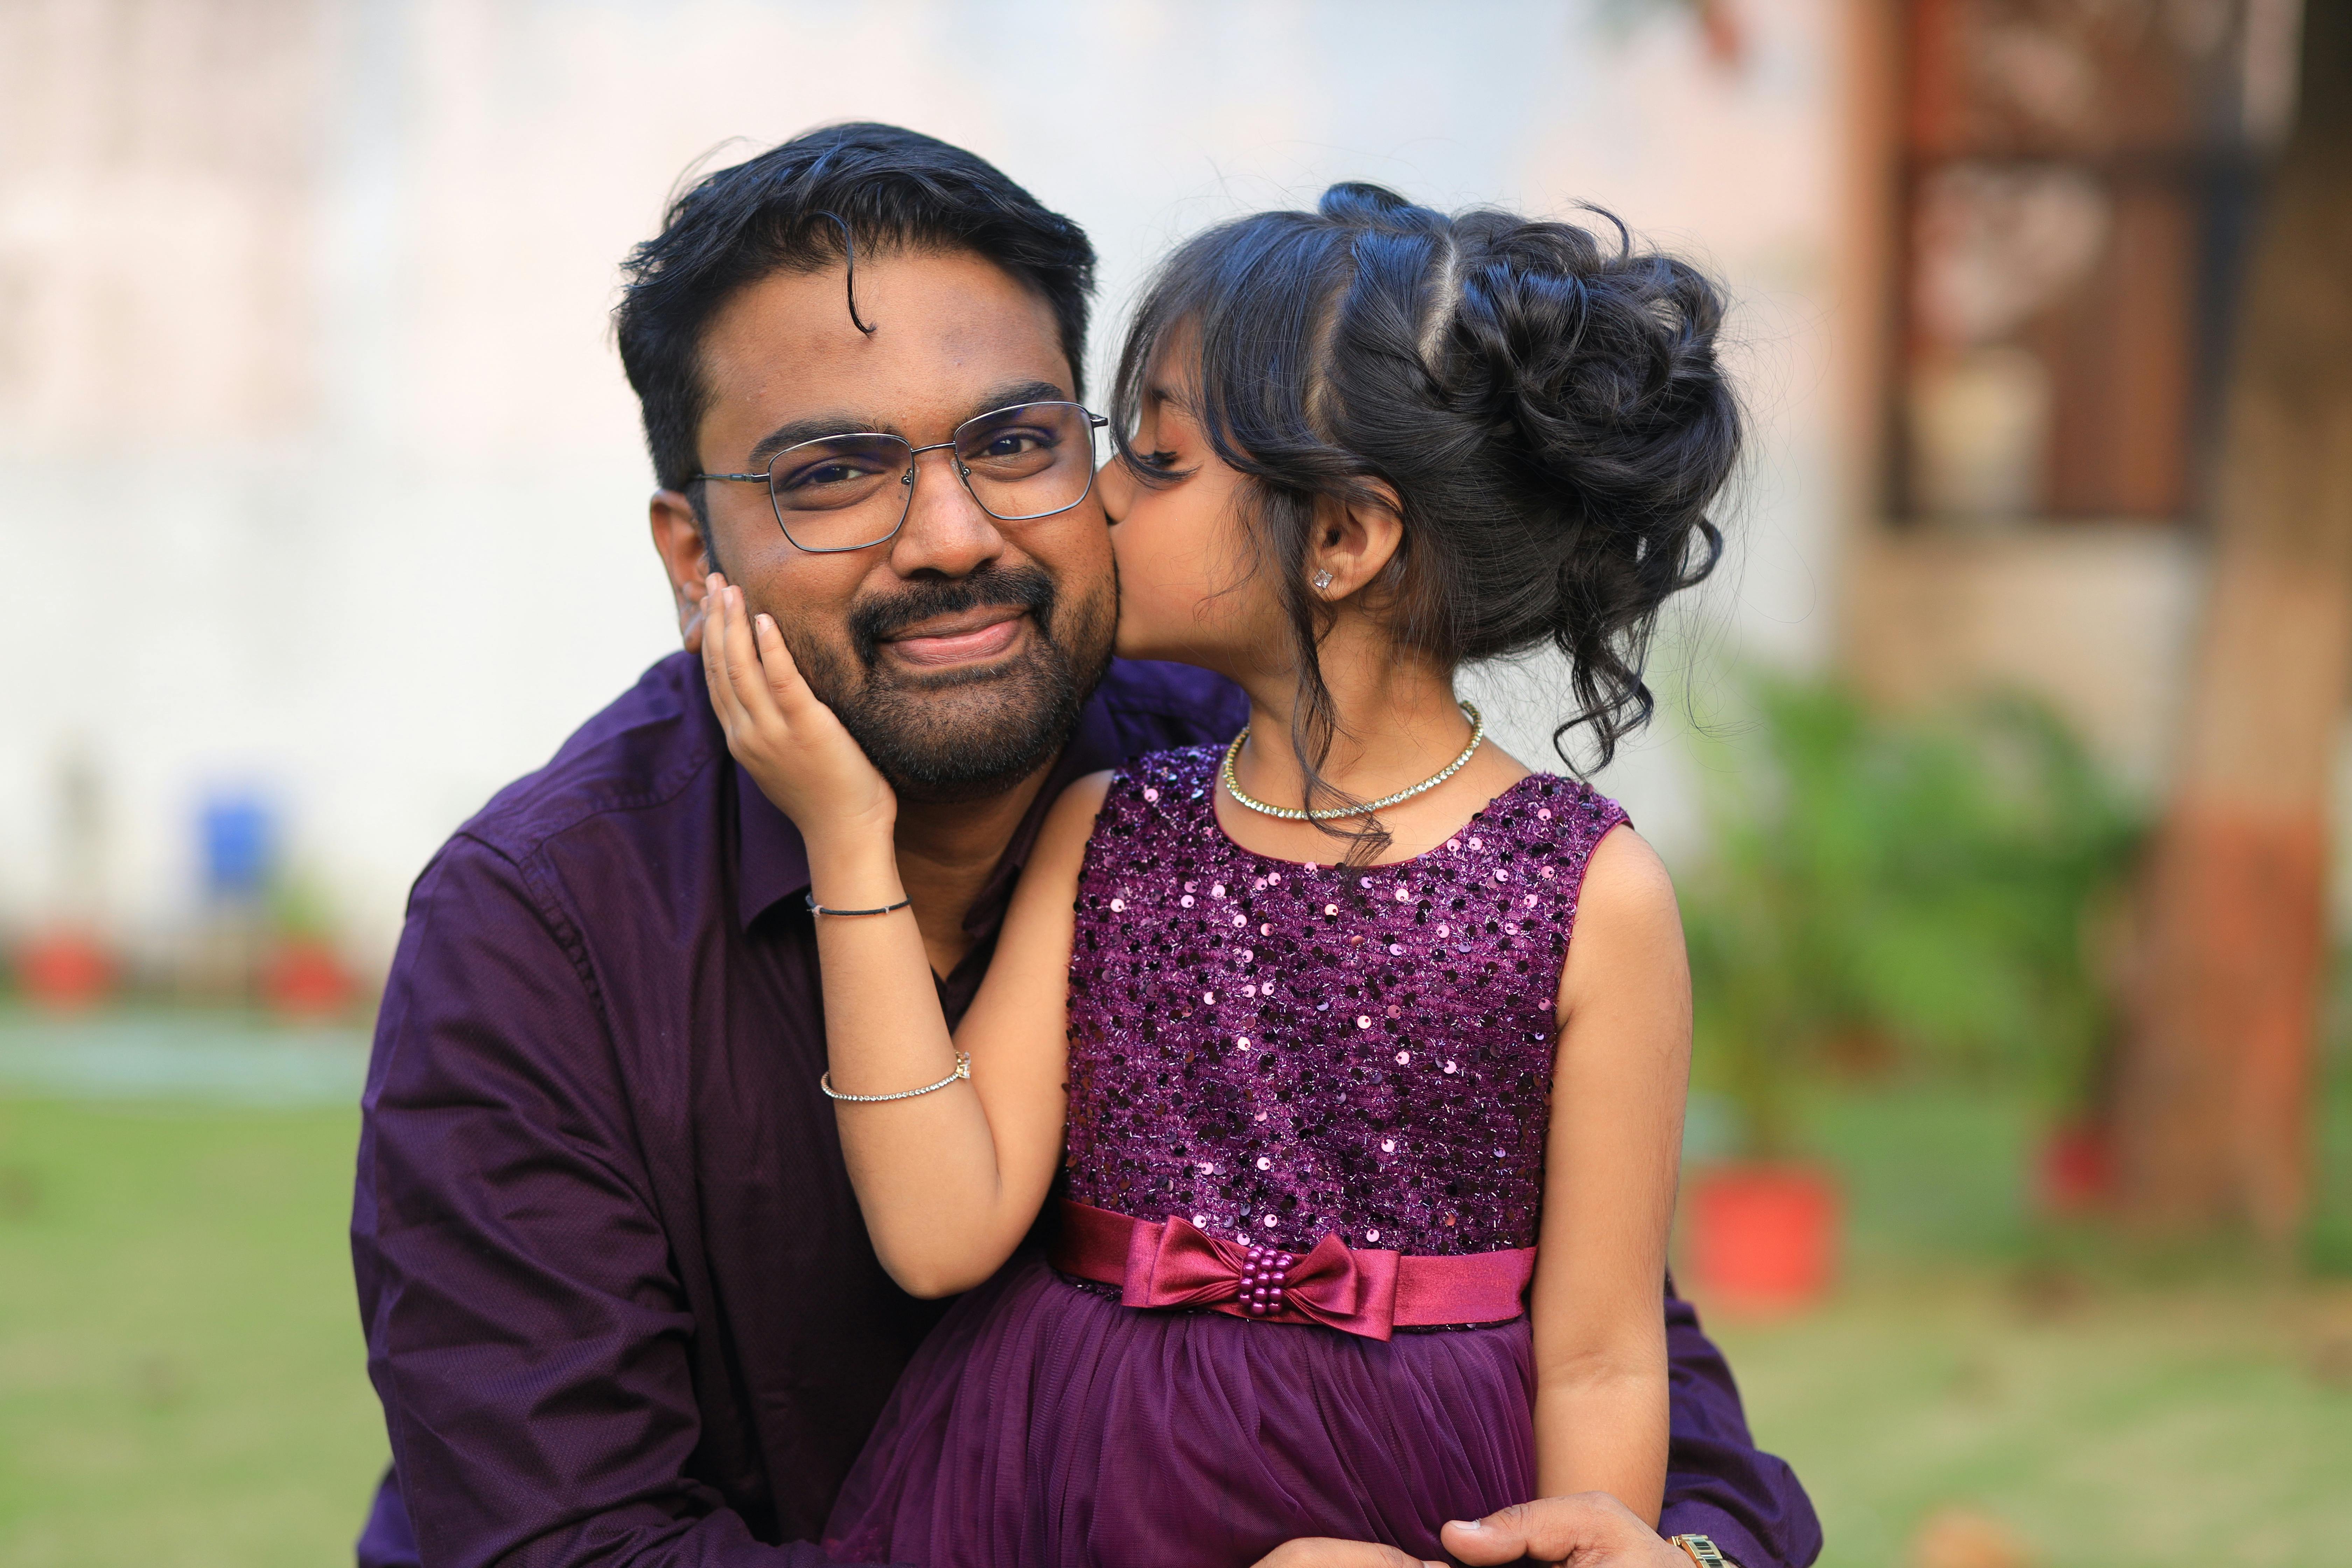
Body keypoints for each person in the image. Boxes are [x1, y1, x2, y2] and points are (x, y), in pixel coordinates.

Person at [351, 123, 1821, 1568]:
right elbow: (567, 1545)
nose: (952, 535)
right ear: (696, 558)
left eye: (1017, 444)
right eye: (835, 474)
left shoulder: (1280, 786)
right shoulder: (537, 930)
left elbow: (1628, 1383)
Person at [702, 176, 1739, 1567]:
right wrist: (844, 834)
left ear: (1342, 539)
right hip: (1070, 1487)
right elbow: (941, 1229)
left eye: (1158, 459)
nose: (1098, 496)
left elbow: (1605, 1357)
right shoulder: (1108, 831)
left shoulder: (1590, 895)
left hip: (1421, 1505)